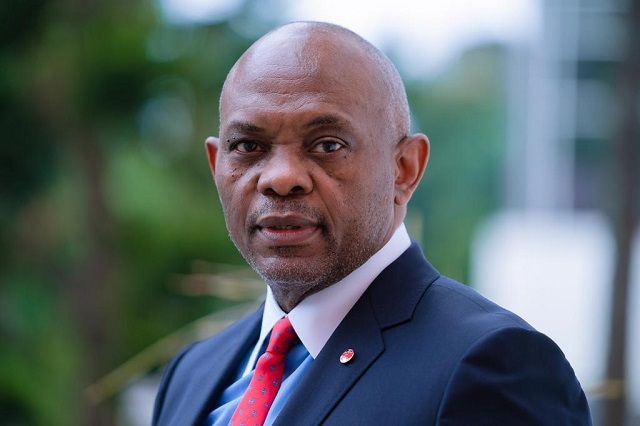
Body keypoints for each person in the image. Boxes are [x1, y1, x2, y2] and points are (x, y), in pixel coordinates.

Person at [152, 21, 592, 425]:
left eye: (327, 145)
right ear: (216, 165)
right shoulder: (191, 375)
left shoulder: (494, 366)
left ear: (404, 169)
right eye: (249, 146)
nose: (281, 178)